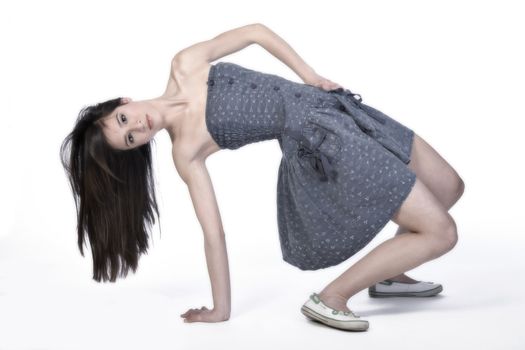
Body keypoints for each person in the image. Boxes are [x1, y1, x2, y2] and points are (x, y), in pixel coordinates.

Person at [60, 23, 465, 331]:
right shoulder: (186, 151)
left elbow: (255, 32)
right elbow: (213, 233)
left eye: (124, 119)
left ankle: (390, 275)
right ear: (138, 148)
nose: (139, 126)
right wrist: (220, 309)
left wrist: (309, 75)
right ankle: (331, 297)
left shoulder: (185, 64)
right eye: (130, 139)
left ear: (122, 101)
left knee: (449, 186)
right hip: (327, 145)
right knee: (441, 233)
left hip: (335, 108)